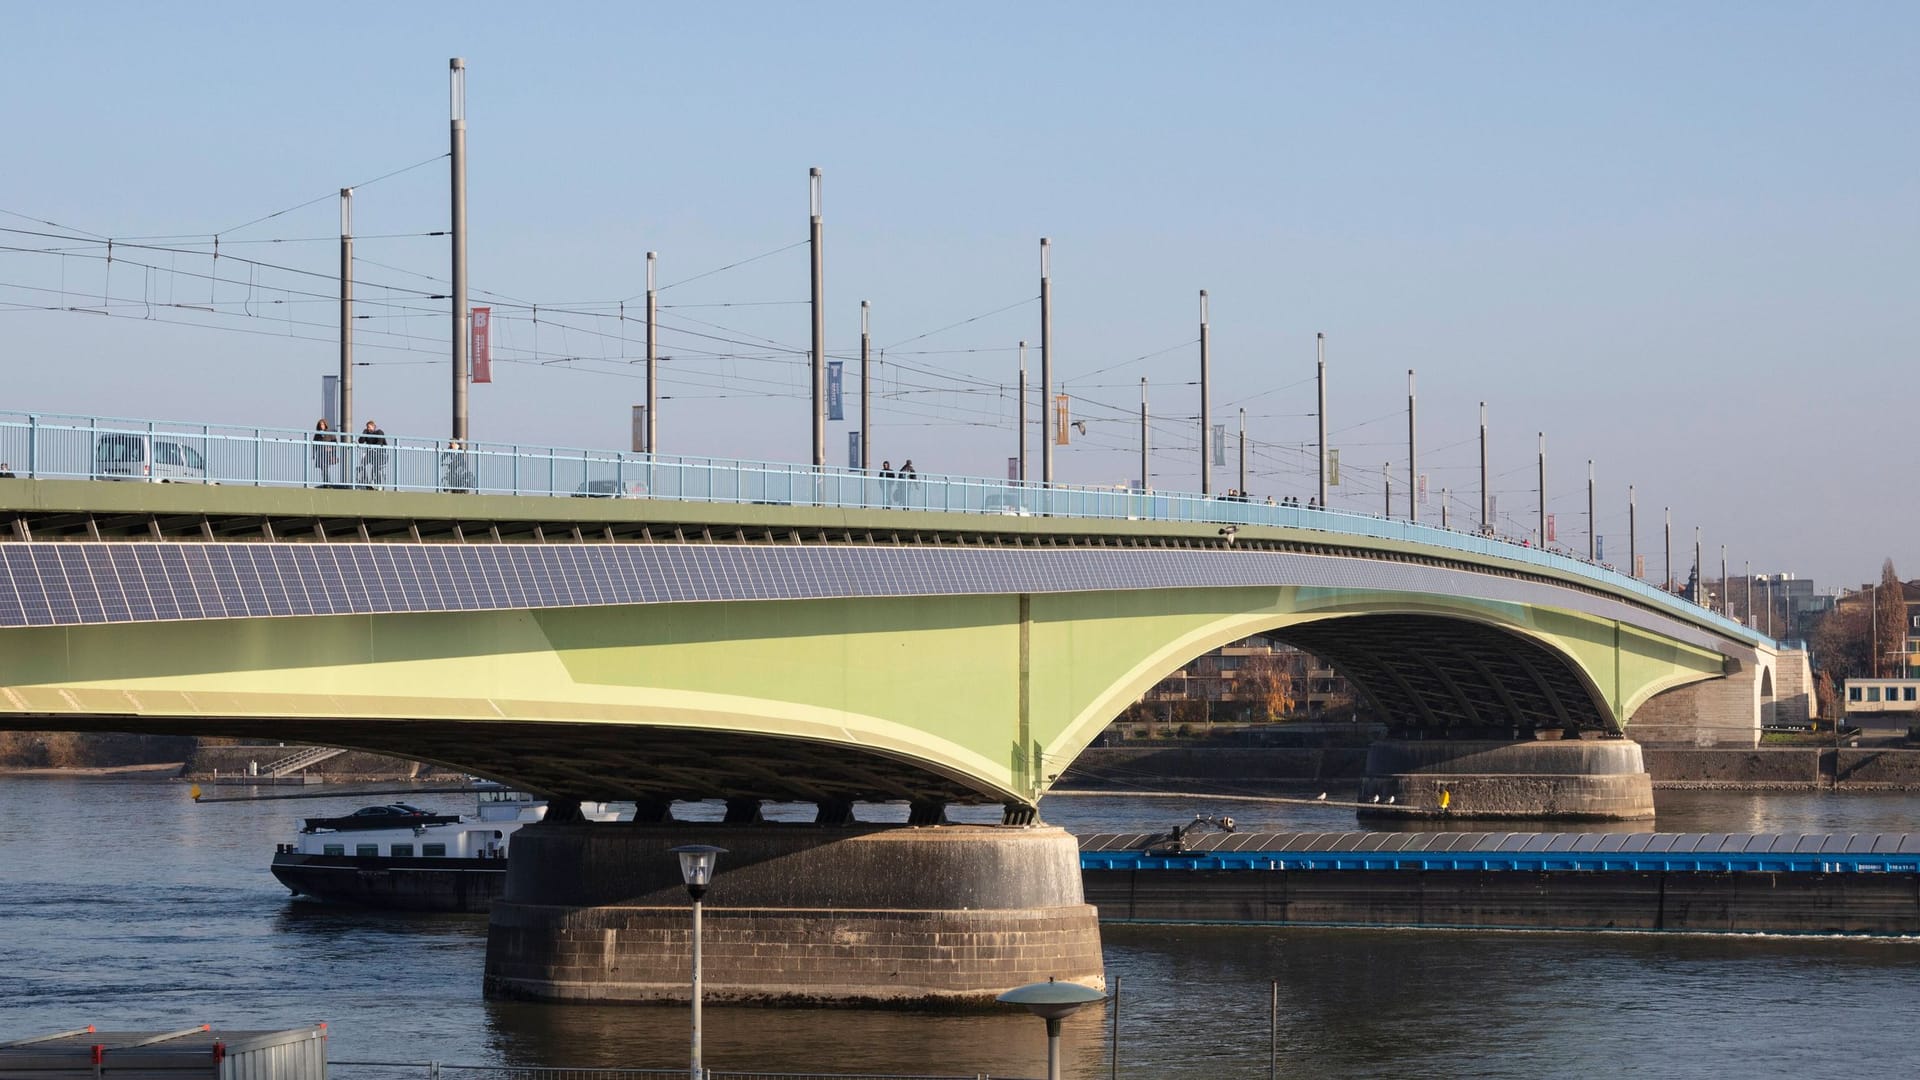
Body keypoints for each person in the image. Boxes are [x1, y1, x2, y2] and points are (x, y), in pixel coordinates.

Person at [357, 420, 388, 488]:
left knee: (375, 468)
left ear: (374, 427)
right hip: (371, 454)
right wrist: (364, 433)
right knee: (362, 465)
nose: (368, 428)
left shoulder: (379, 432)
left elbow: (380, 442)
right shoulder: (367, 433)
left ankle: (379, 484)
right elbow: (360, 441)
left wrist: (374, 448)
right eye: (367, 427)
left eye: (369, 427)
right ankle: (365, 481)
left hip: (381, 454)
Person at [312, 418, 338, 485]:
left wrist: (333, 452)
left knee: (325, 467)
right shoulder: (317, 434)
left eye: (323, 424)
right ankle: (326, 482)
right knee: (323, 468)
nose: (321, 426)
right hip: (320, 453)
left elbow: (335, 443)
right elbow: (314, 444)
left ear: (325, 425)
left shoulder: (329, 433)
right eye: (320, 425)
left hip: (328, 454)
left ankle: (327, 482)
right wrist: (313, 454)